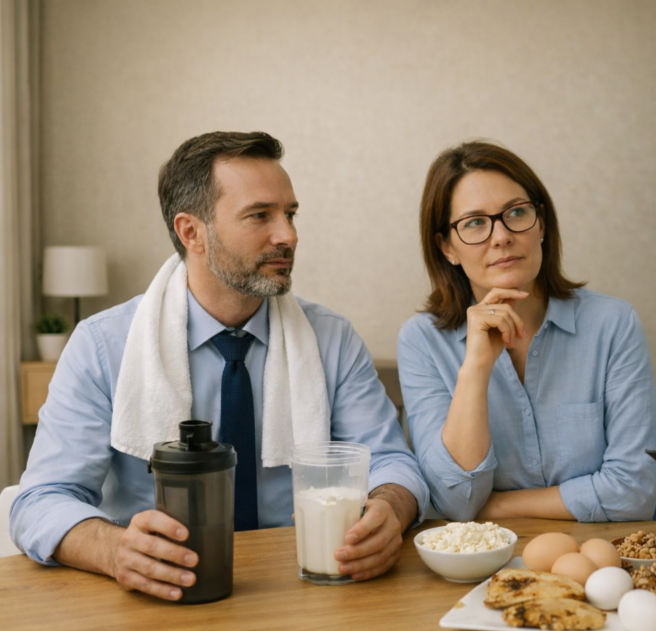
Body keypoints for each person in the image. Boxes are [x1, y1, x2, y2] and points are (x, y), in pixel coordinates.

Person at [11, 131, 428, 601]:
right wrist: (114, 550)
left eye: (290, 214)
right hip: (160, 598)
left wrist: (390, 509)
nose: (288, 235)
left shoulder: (331, 339)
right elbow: (40, 501)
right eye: (260, 215)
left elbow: (392, 463)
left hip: (304, 591)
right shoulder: (102, 345)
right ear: (192, 232)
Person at [397, 141, 656, 523]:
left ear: (542, 224)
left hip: (607, 552)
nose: (501, 236)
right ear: (447, 248)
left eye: (516, 212)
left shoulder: (613, 324)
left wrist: (496, 506)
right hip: (487, 556)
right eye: (474, 223)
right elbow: (455, 500)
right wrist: (476, 368)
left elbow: (633, 492)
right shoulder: (422, 341)